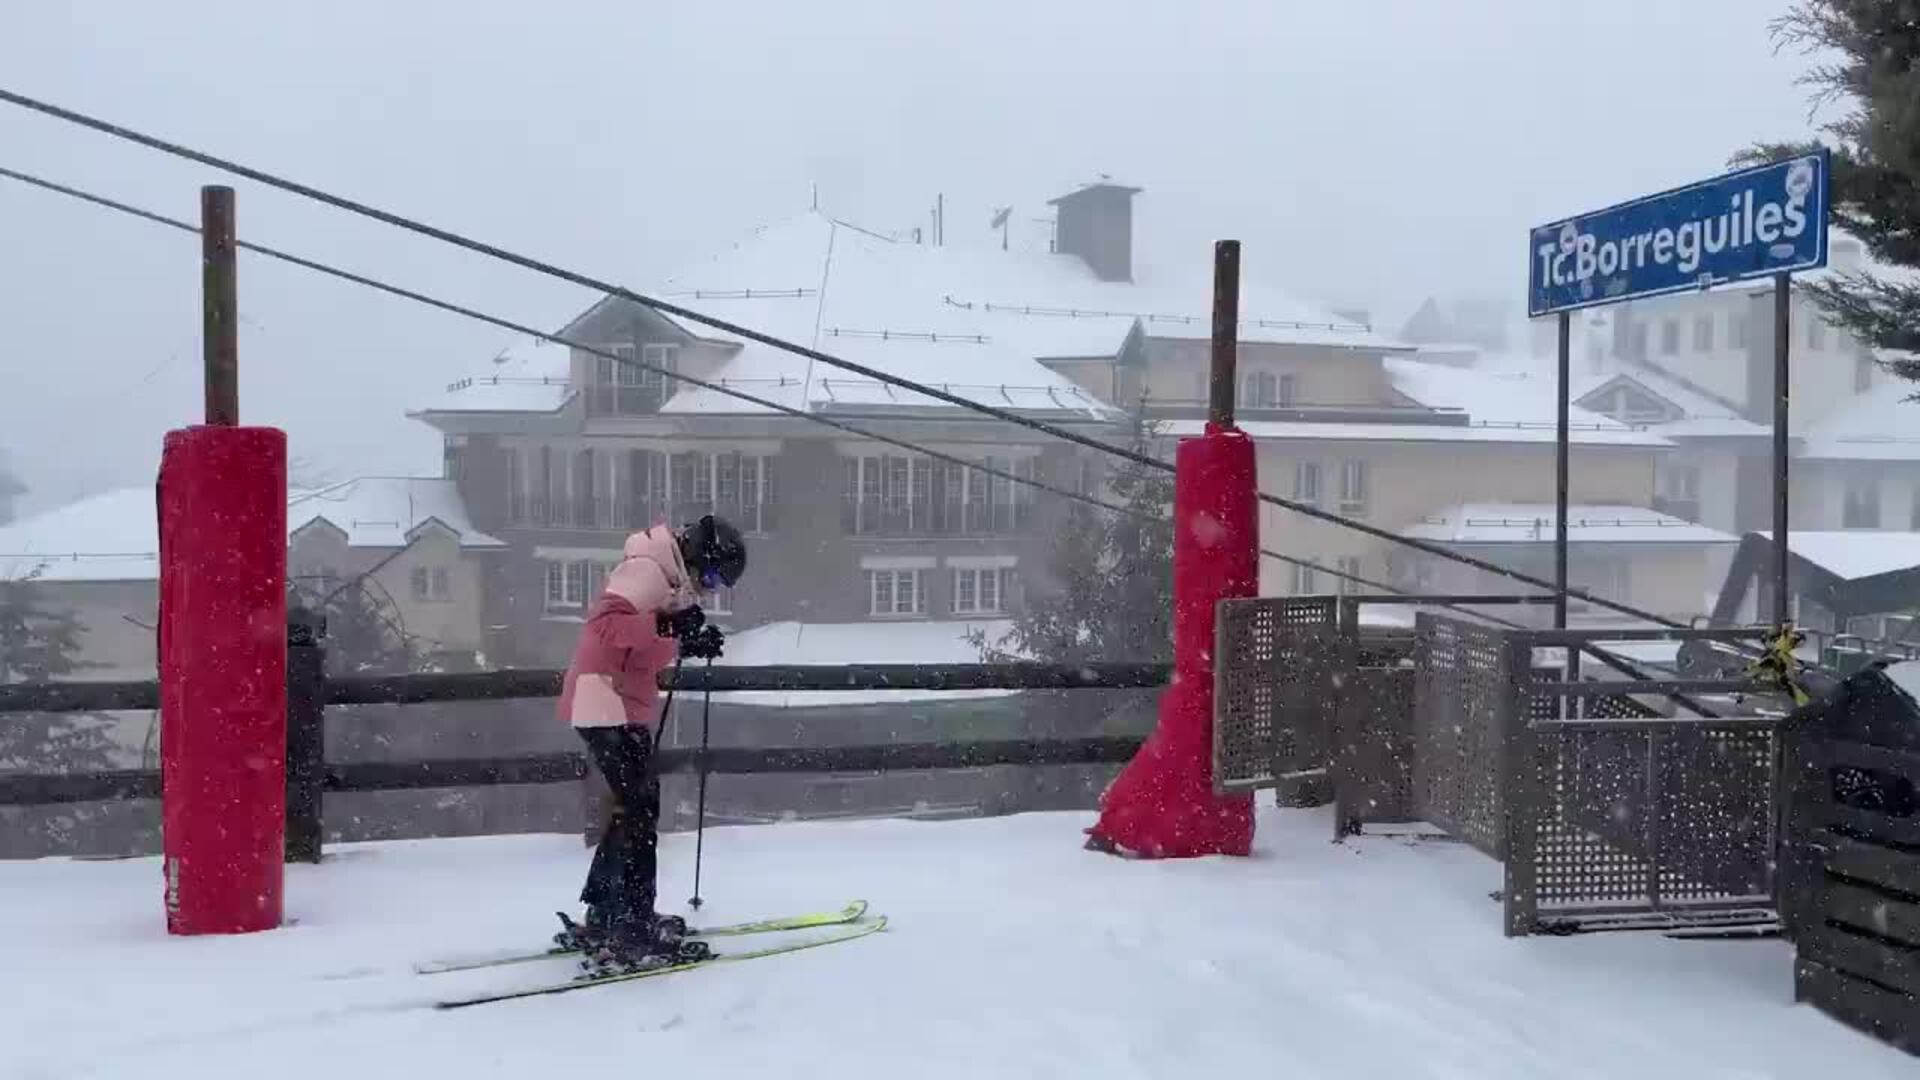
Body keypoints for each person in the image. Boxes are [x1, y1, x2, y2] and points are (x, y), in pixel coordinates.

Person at [555, 514, 747, 965]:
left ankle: (607, 913)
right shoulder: (646, 570)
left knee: (632, 810)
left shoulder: (668, 578)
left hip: (616, 703)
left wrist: (690, 637)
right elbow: (605, 627)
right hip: (605, 701)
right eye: (714, 575)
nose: (712, 587)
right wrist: (671, 628)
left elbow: (645, 638)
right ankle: (633, 928)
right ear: (700, 557)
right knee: (640, 813)